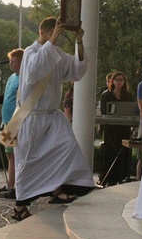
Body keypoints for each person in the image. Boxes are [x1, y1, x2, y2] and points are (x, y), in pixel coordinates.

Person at [11, 17, 94, 221]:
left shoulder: (55, 53)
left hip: (51, 116)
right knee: (28, 161)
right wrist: (53, 40)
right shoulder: (31, 53)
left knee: (67, 146)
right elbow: (33, 72)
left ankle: (61, 187)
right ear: (47, 32)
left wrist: (79, 42)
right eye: (55, 33)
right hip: (31, 117)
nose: (58, 38)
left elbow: (76, 69)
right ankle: (20, 206)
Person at [0, 48, 24, 200]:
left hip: (16, 121)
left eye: (13, 62)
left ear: (22, 62)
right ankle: (10, 184)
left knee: (14, 155)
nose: (11, 65)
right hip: (7, 121)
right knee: (9, 154)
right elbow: (6, 98)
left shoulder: (24, 79)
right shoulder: (11, 78)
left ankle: (14, 186)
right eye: (10, 62)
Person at [98, 71, 134, 186]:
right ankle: (108, 178)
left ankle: (122, 176)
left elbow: (131, 110)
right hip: (111, 128)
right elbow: (104, 111)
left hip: (124, 128)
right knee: (110, 151)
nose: (119, 82)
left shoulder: (128, 95)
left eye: (121, 80)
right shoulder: (106, 95)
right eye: (117, 80)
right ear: (112, 81)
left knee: (123, 152)